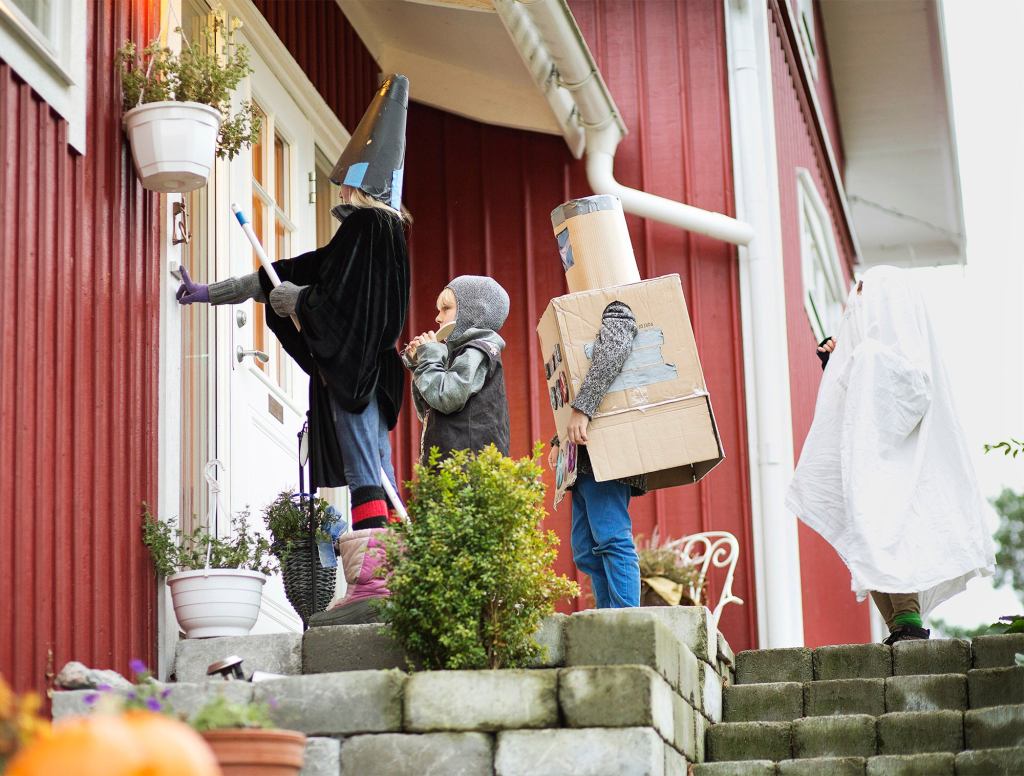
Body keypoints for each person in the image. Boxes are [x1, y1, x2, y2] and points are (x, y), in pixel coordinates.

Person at [177, 74, 412, 625]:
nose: (342, 191)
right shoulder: (383, 237)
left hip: (353, 373)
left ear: (362, 185)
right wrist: (217, 293)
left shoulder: (369, 233)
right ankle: (395, 577)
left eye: (347, 184)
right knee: (378, 469)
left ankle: (375, 584)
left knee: (366, 472)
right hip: (369, 374)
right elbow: (282, 275)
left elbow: (344, 301)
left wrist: (300, 301)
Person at [787, 266, 995, 644]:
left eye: (865, 293)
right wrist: (835, 366)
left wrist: (850, 364)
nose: (857, 302)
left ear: (887, 300)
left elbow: (886, 405)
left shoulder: (880, 356)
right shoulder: (878, 355)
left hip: (888, 473)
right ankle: (902, 626)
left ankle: (908, 622)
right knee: (868, 539)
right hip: (873, 470)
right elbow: (856, 410)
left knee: (883, 534)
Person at [549, 300, 647, 609]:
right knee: (584, 548)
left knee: (610, 537)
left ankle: (626, 622)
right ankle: (609, 618)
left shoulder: (616, 305)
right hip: (584, 452)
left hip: (607, 449)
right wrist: (559, 437)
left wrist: (583, 410)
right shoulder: (587, 311)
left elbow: (615, 348)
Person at [403, 276, 511, 464]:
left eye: (446, 309)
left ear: (474, 312)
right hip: (451, 468)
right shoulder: (456, 355)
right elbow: (428, 411)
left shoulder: (477, 351)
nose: (438, 318)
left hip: (469, 473)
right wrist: (420, 364)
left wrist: (429, 359)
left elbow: (446, 398)